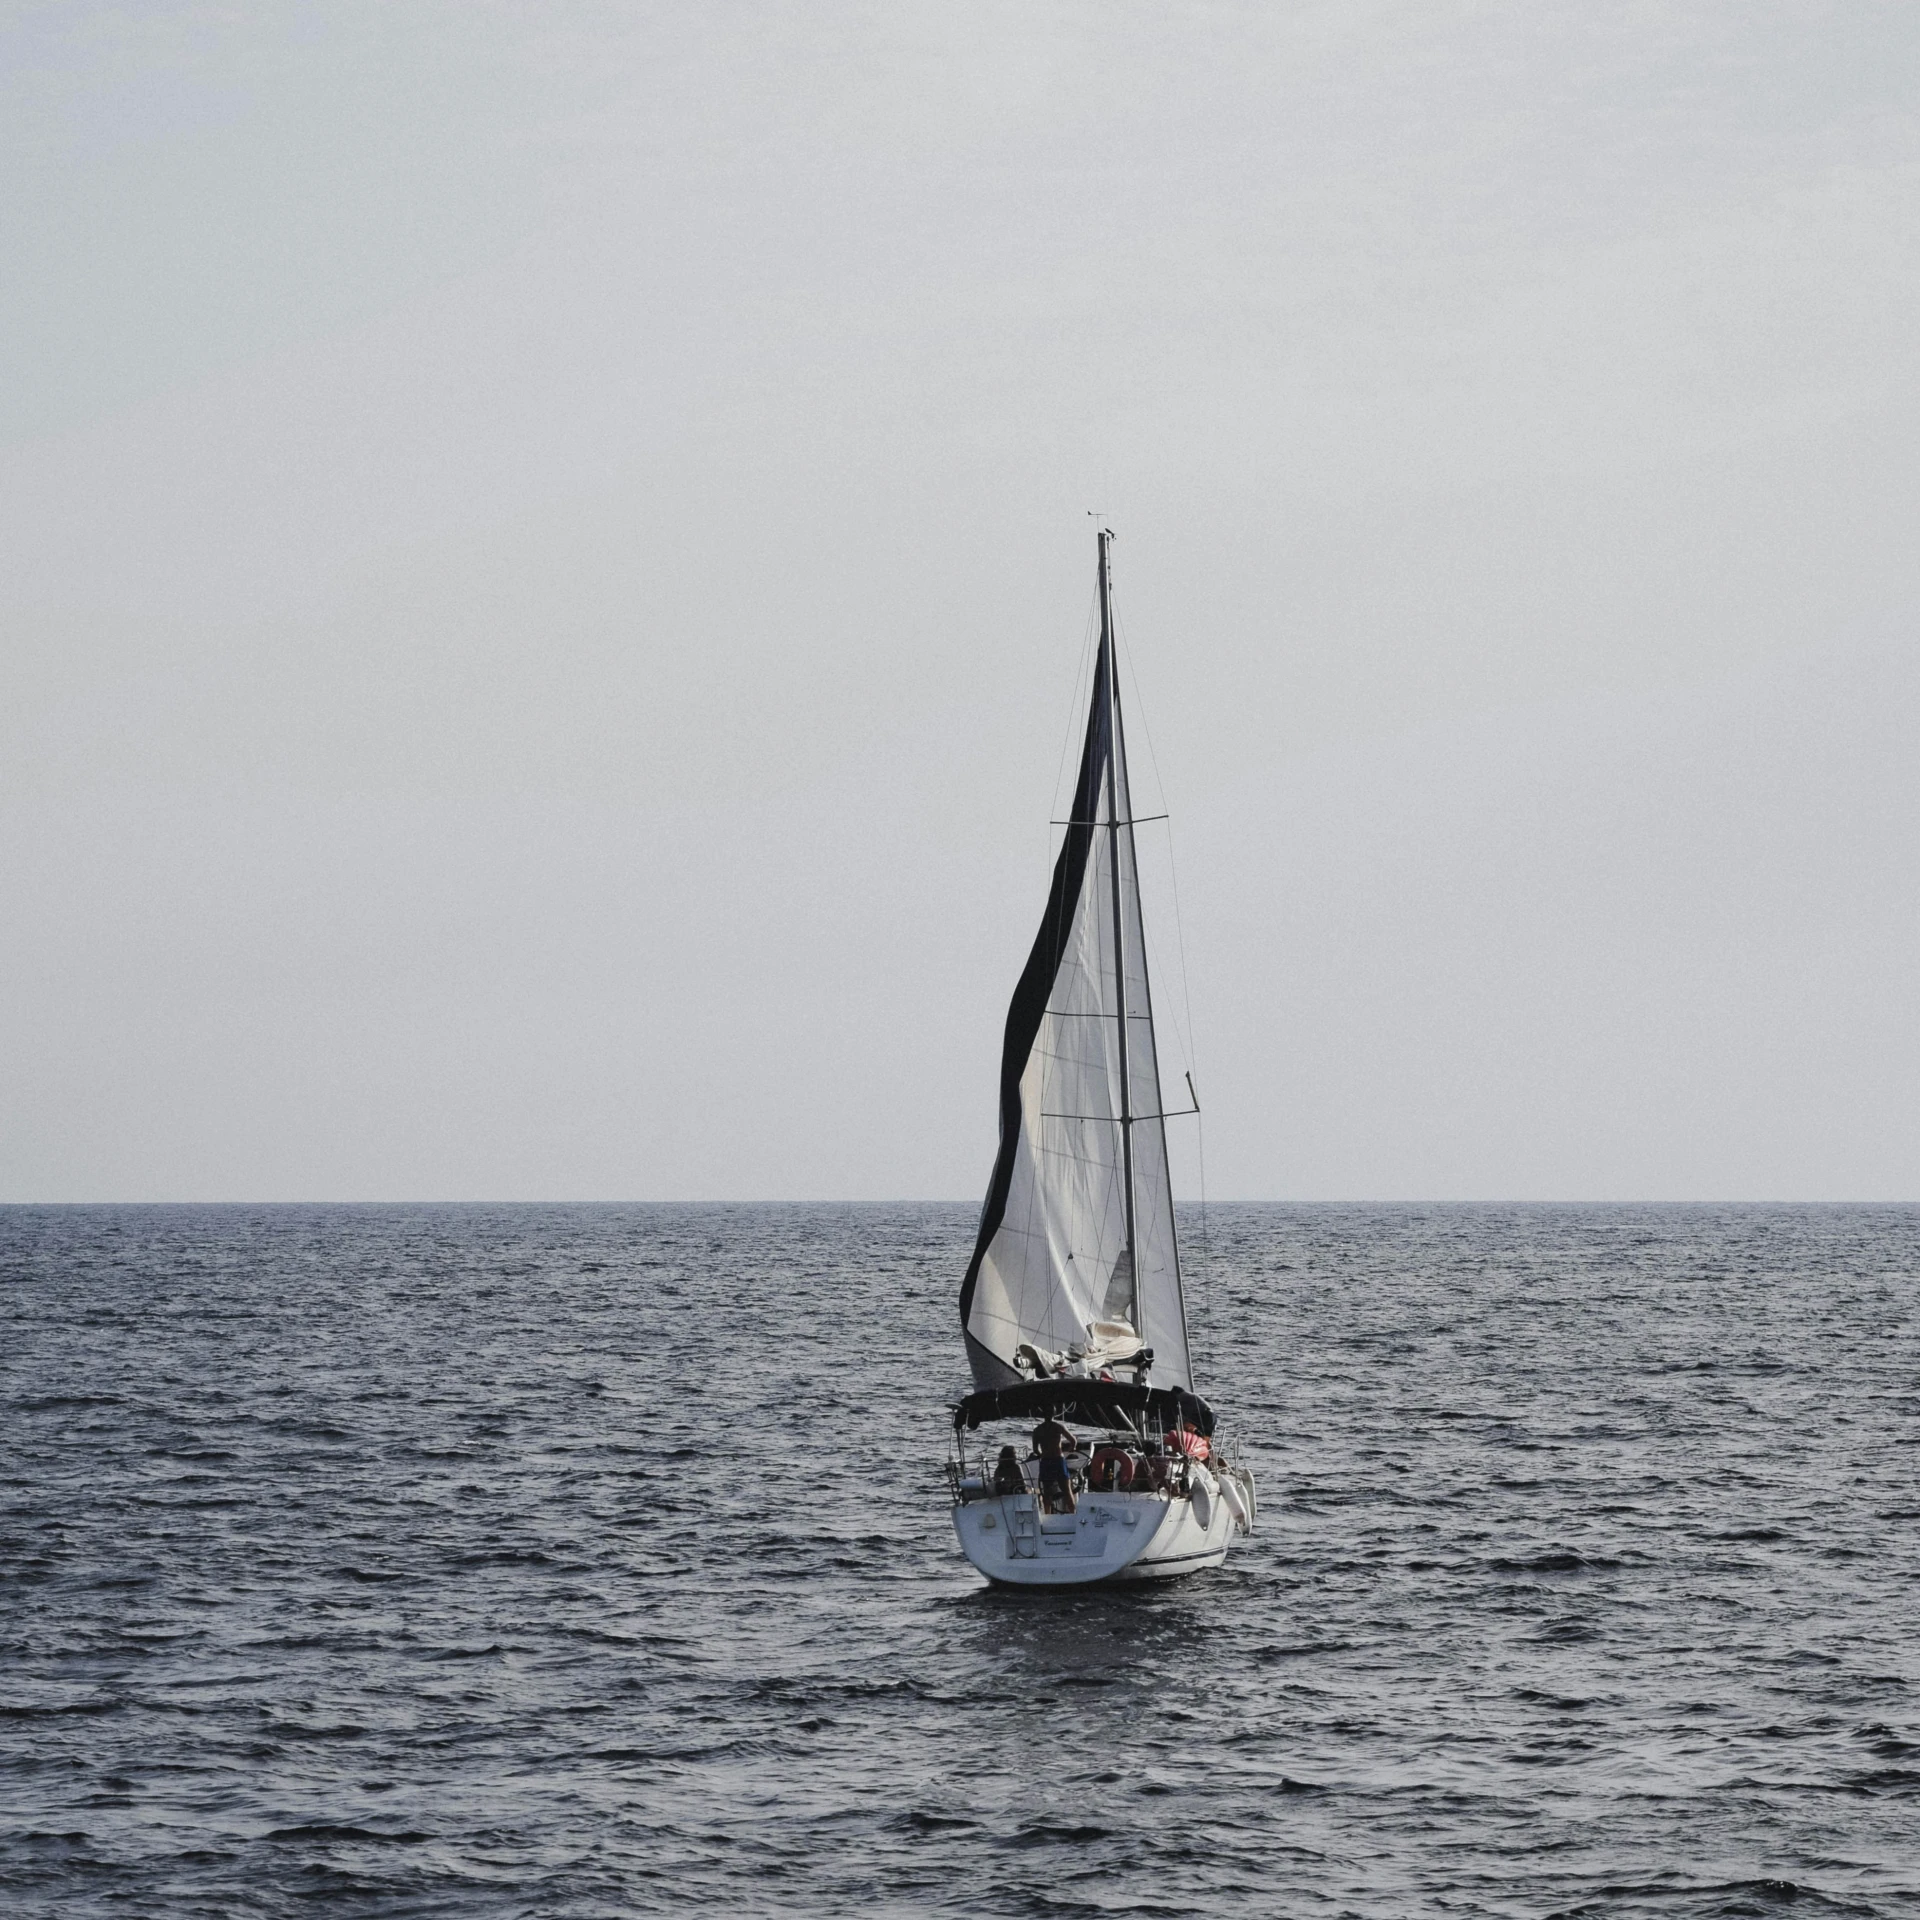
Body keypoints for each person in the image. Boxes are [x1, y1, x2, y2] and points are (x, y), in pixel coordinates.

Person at [1030, 1416, 1077, 1514]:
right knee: (1067, 1490)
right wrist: (1071, 1449)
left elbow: (1035, 1449)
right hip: (1058, 1460)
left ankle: (1047, 1515)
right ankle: (1073, 1514)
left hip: (1046, 1461)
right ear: (1054, 1414)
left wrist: (1042, 1454)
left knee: (1047, 1492)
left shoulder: (1038, 1430)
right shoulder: (1058, 1427)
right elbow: (1073, 1441)